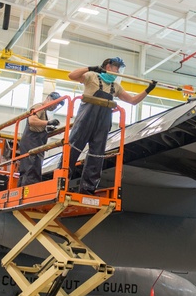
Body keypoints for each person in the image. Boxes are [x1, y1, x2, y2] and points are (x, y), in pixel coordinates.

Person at [66, 57, 155, 194]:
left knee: (97, 155)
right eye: (116, 67)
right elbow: (72, 76)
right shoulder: (92, 77)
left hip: (102, 124)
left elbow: (132, 101)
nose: (118, 71)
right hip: (85, 120)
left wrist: (148, 90)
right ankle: (61, 182)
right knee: (73, 149)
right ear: (108, 66)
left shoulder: (116, 87)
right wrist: (89, 68)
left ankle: (88, 189)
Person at [18, 92, 64, 186]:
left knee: (33, 167)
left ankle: (26, 187)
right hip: (31, 141)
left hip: (35, 142)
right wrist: (48, 122)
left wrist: (47, 128)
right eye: (55, 103)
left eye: (57, 105)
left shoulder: (43, 111)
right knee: (31, 168)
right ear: (48, 99)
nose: (55, 106)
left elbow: (38, 125)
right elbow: (32, 120)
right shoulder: (39, 107)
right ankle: (29, 188)